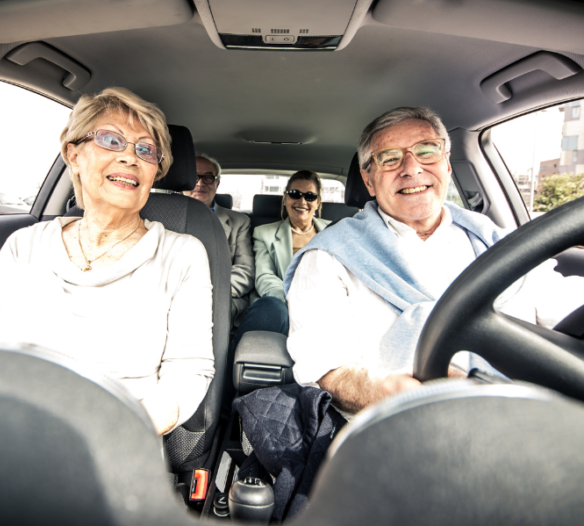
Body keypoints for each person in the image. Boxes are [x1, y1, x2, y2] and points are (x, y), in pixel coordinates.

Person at [0, 87, 215, 436]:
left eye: (146, 149)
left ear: (154, 173)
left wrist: (117, 432)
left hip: (112, 440)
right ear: (74, 155)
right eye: (111, 140)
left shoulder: (182, 254)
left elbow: (188, 371)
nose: (130, 157)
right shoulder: (25, 245)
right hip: (1, 428)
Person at [284, 107, 584, 416]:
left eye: (428, 151)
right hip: (399, 430)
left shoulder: (502, 245)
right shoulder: (328, 256)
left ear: (447, 165)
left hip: (532, 416)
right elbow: (325, 366)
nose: (411, 168)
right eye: (390, 158)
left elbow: (567, 308)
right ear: (368, 180)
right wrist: (382, 392)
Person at [232, 170, 330, 350]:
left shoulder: (334, 231)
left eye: (310, 196)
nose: (302, 201)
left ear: (318, 202)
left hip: (325, 303)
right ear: (285, 198)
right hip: (282, 302)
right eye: (295, 194)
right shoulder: (264, 233)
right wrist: (293, 300)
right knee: (271, 308)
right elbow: (264, 276)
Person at [183, 154, 254, 325]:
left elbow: (245, 270)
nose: (200, 183)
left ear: (217, 183)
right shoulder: (163, 217)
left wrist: (209, 293)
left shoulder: (239, 222)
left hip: (221, 296)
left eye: (207, 177)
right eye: (194, 177)